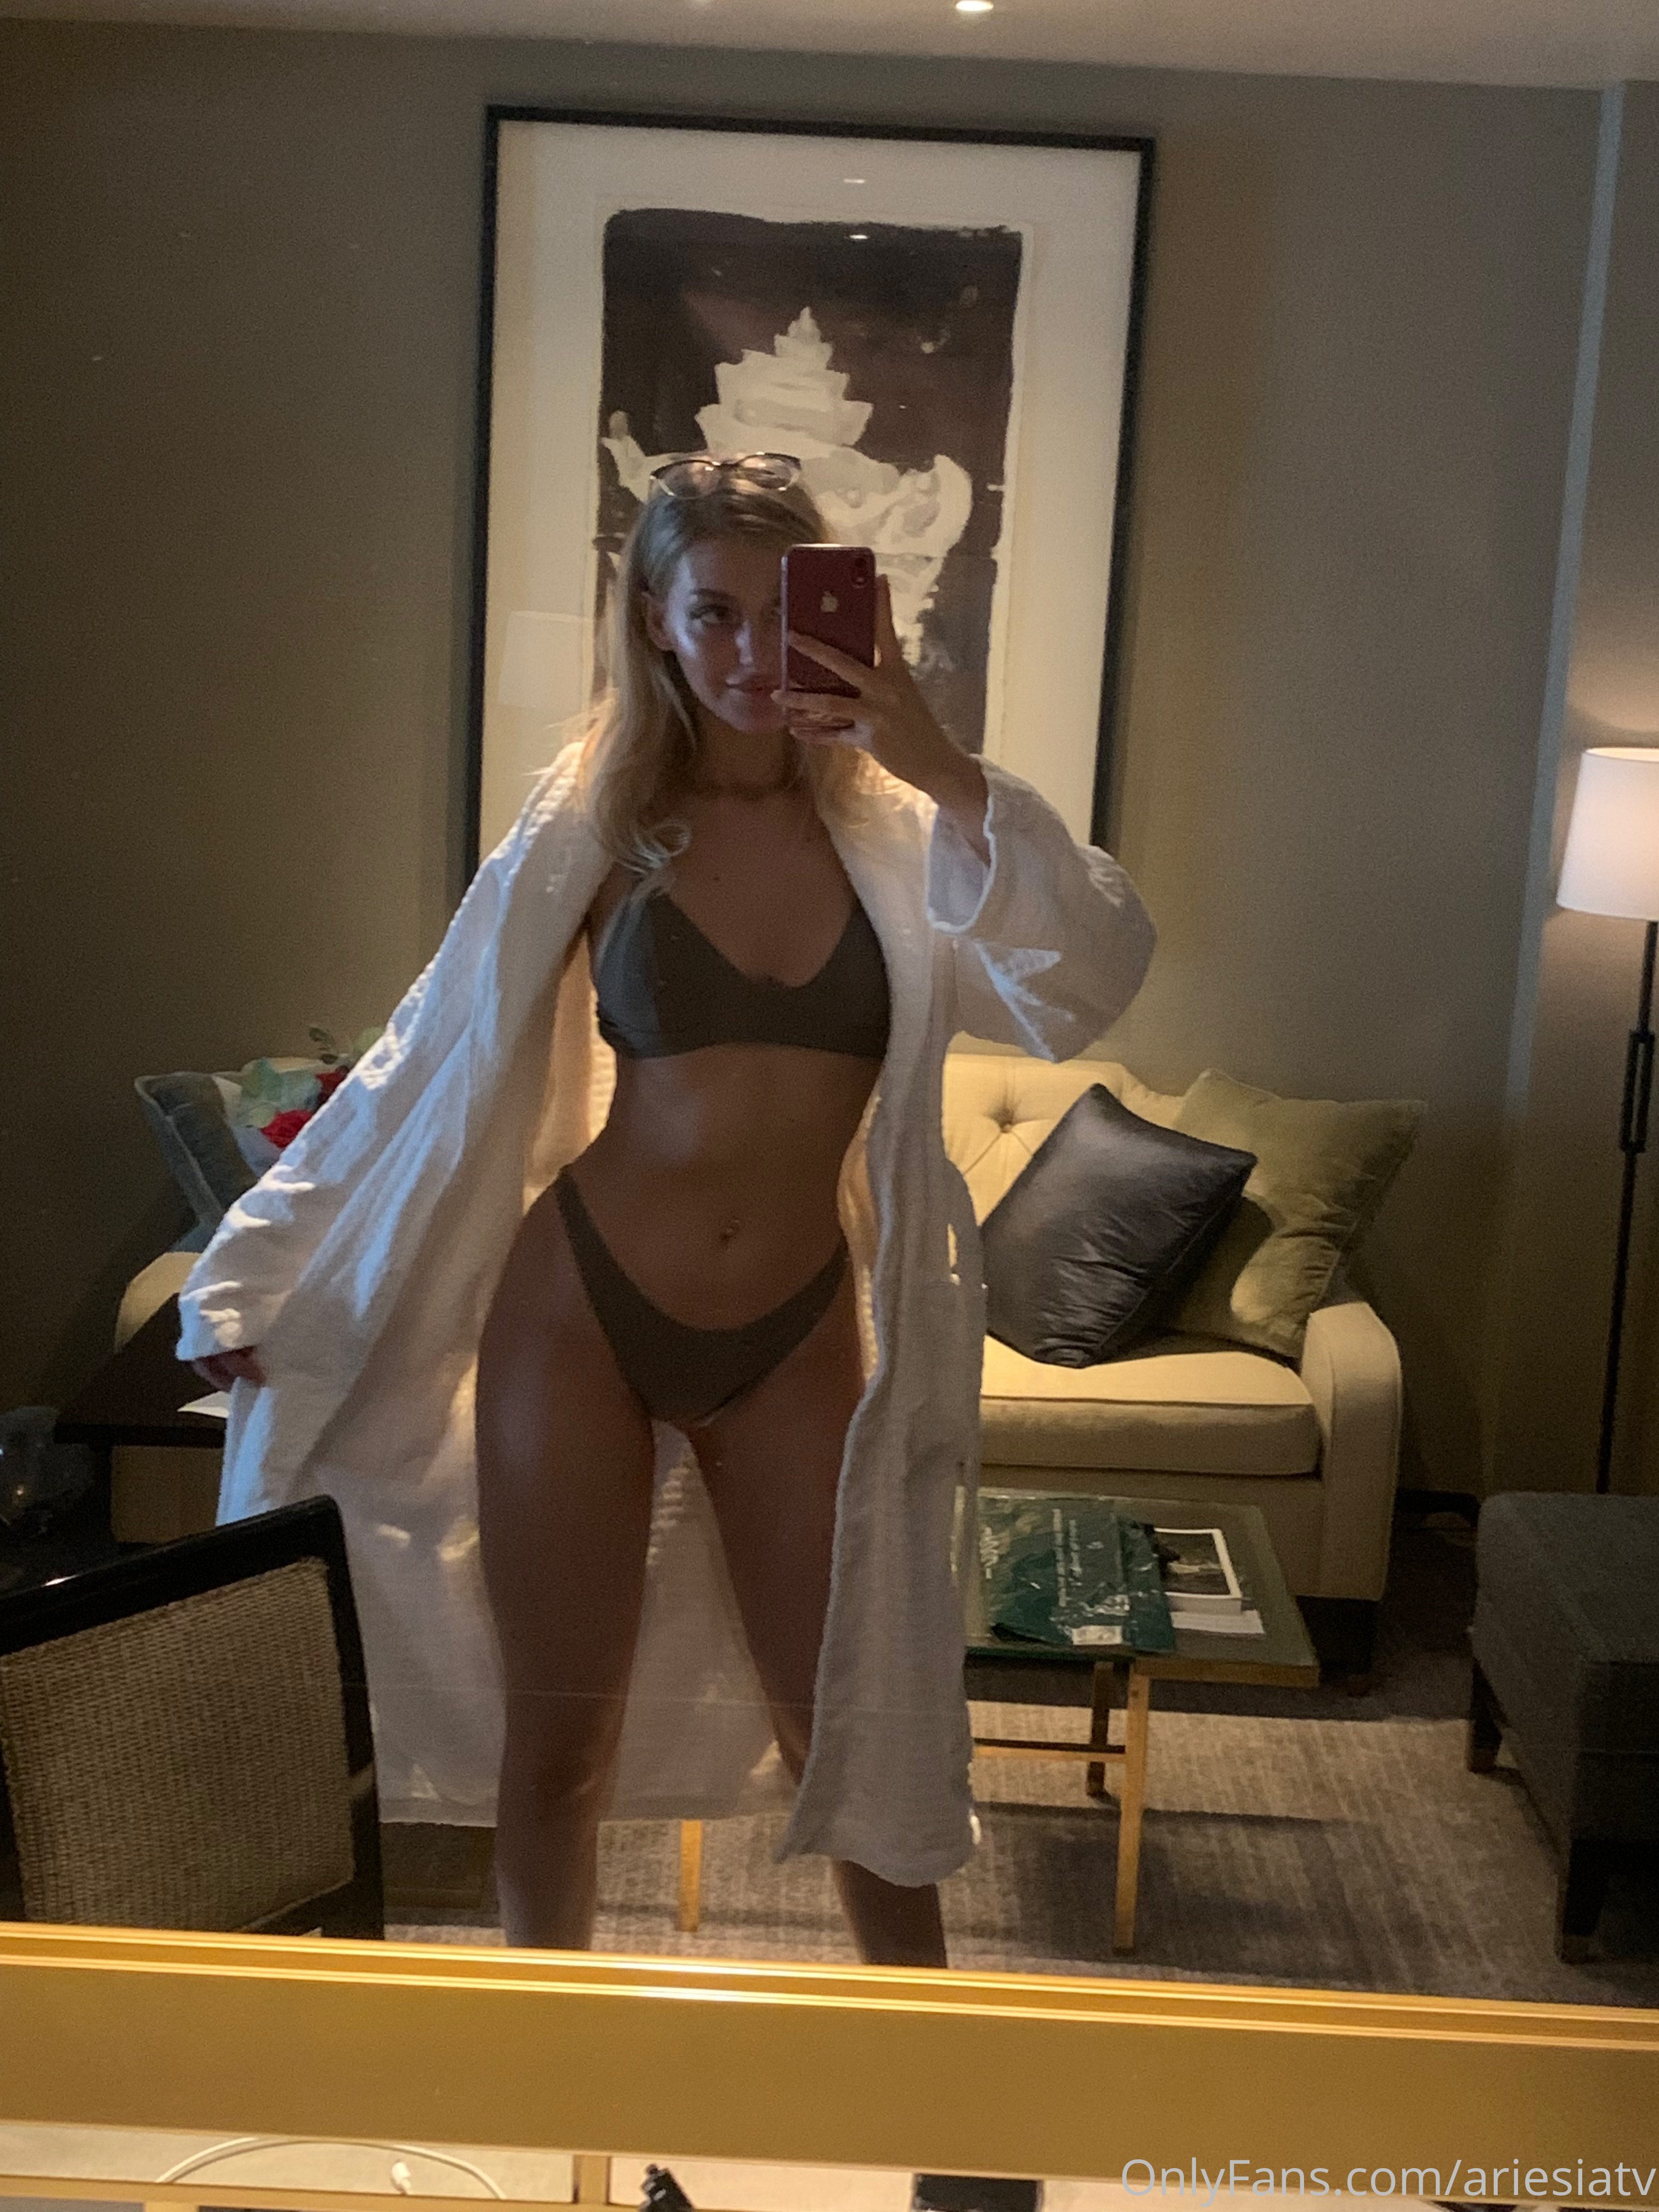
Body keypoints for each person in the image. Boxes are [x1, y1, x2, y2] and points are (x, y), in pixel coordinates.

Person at [179, 452, 1155, 1965]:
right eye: (716, 614)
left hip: (799, 1334)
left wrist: (943, 758)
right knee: (559, 1746)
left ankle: (933, 2087)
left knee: (849, 1739)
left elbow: (1084, 979)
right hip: (580, 1313)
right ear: (654, 618)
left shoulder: (904, 834)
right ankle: (551, 2072)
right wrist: (257, 1268)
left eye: (789, 613)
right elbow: (429, 1057)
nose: (757, 653)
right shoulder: (597, 819)